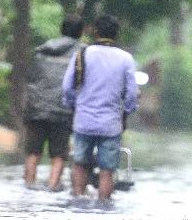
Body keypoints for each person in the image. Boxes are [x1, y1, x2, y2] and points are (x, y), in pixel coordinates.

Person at [62, 14, 139, 200]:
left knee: (80, 164)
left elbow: (67, 87)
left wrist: (75, 106)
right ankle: (104, 205)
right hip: (111, 124)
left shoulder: (81, 54)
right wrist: (125, 114)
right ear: (116, 34)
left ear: (95, 31)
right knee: (107, 170)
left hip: (83, 121)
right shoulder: (125, 59)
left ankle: (78, 199)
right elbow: (131, 95)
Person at [22, 16, 83, 189]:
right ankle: (52, 187)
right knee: (59, 155)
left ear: (61, 29)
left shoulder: (42, 50)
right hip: (62, 111)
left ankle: (28, 187)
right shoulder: (82, 53)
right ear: (81, 32)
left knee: (33, 152)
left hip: (36, 109)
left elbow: (30, 78)